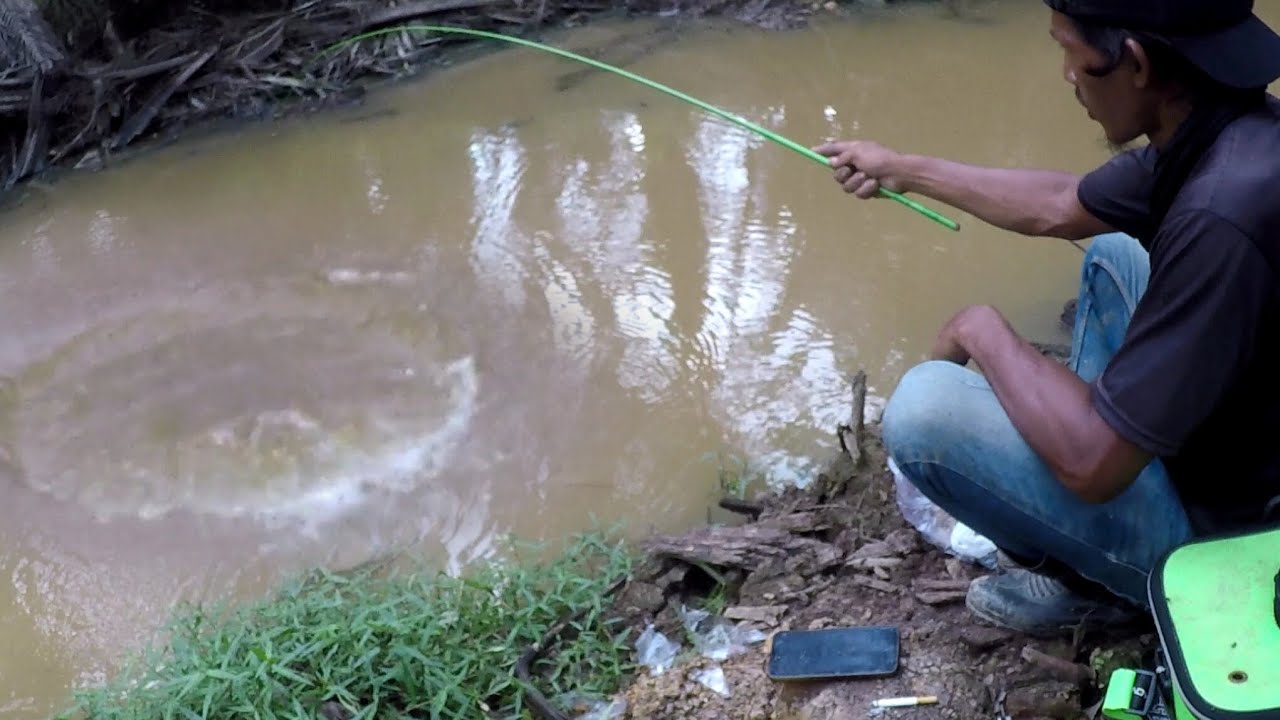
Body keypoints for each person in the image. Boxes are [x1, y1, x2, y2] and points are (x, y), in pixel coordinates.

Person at [814, 0, 1280, 637]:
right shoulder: (1226, 131)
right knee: (1113, 255)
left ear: (1136, 63)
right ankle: (1089, 460)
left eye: (1071, 53)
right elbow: (1060, 204)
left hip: (1232, 532)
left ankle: (1108, 586)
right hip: (1239, 434)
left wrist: (980, 328)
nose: (1066, 74)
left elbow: (1094, 465)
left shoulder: (1218, 220)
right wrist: (904, 169)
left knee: (926, 410)